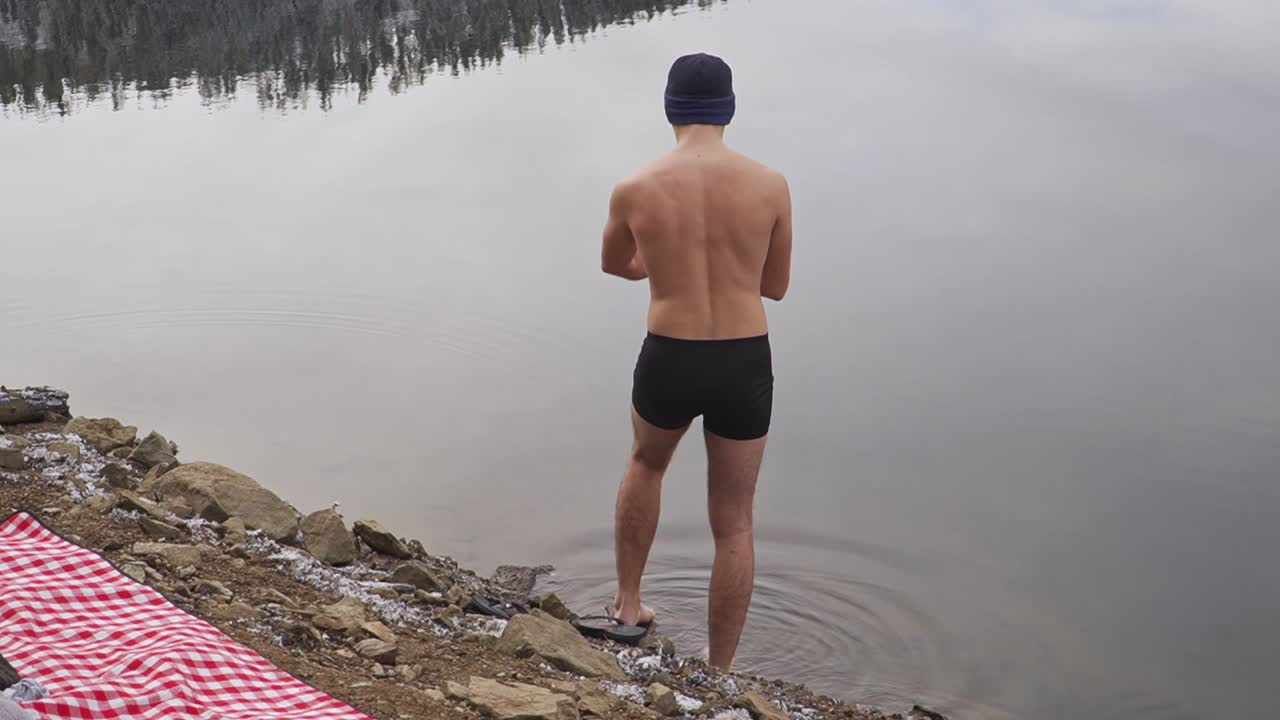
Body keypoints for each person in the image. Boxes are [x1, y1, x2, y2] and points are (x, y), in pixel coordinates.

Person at [600, 52, 792, 671]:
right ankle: (721, 668)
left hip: (670, 353)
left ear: (669, 108)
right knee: (733, 522)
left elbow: (617, 264)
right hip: (742, 359)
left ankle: (628, 609)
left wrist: (667, 262)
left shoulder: (635, 186)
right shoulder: (771, 185)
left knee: (646, 464)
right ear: (729, 110)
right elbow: (776, 285)